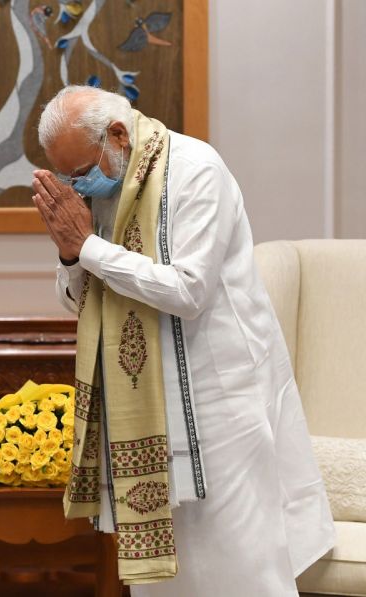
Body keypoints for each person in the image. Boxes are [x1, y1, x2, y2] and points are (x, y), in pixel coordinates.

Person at [32, 86, 334, 596]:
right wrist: (70, 255)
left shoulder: (195, 169)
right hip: (145, 413)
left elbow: (188, 290)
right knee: (165, 581)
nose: (75, 185)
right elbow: (82, 300)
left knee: (242, 570)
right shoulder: (105, 188)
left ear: (118, 136)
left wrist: (86, 247)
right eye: (65, 176)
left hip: (220, 405)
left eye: (80, 172)